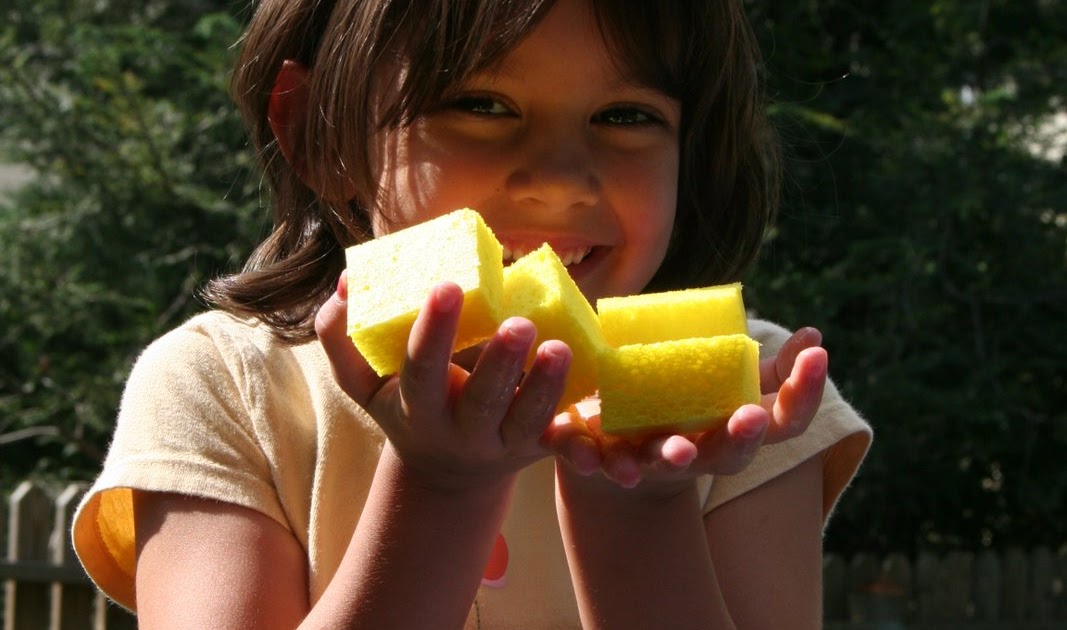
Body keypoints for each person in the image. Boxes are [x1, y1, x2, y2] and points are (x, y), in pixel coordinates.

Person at [72, 0, 872, 628]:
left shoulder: (746, 406)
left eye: (626, 115)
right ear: (317, 132)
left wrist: (639, 501)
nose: (562, 180)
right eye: (481, 103)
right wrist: (438, 486)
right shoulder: (223, 386)